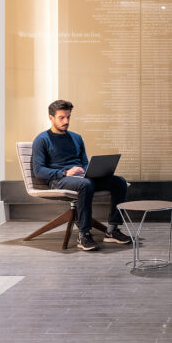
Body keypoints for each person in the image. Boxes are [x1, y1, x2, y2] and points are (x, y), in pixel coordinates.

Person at [31, 99, 131, 251]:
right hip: (58, 179)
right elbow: (38, 170)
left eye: (68, 117)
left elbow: (84, 162)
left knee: (119, 182)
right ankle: (83, 234)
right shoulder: (42, 140)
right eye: (61, 118)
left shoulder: (76, 138)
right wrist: (65, 172)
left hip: (82, 178)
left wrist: (91, 171)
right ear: (51, 118)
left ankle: (112, 230)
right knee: (86, 184)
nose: (66, 121)